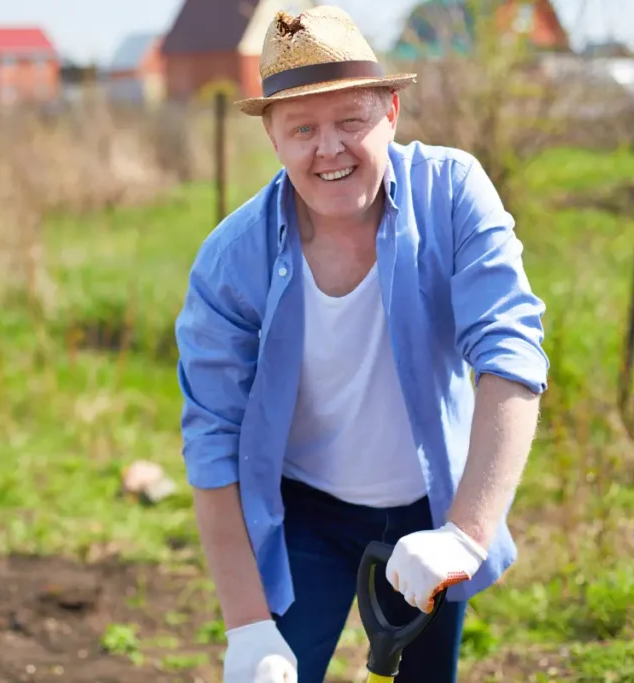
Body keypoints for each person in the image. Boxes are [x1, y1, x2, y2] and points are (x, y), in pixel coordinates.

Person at [174, 6, 549, 683]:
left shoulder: (453, 194)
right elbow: (212, 437)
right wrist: (247, 625)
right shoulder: (233, 259)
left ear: (392, 112)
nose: (330, 149)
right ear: (273, 137)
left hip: (427, 508)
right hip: (305, 512)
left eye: (351, 120)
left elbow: (511, 353)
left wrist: (464, 531)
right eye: (303, 129)